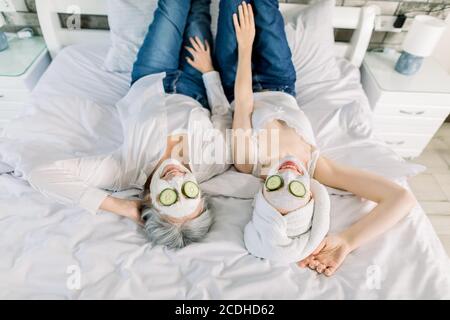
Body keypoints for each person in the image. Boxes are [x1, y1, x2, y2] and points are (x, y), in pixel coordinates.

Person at [217, 1, 416, 276]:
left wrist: (246, 45)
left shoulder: (248, 162)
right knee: (264, 6)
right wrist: (347, 241)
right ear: (311, 196)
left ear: (262, 195)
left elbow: (243, 102)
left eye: (276, 186)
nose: (288, 174)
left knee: (233, 5)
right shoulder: (316, 168)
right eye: (297, 190)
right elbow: (401, 198)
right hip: (279, 80)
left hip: (237, 77)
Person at [28, 0, 232, 249]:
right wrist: (209, 72)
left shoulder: (124, 171)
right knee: (199, 12)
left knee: (173, 7)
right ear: (200, 197)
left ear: (150, 201)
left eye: (169, 197)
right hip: (195, 83)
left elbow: (40, 173)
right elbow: (222, 116)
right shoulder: (214, 162)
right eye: (188, 193)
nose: (177, 179)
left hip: (151, 75)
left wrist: (119, 206)